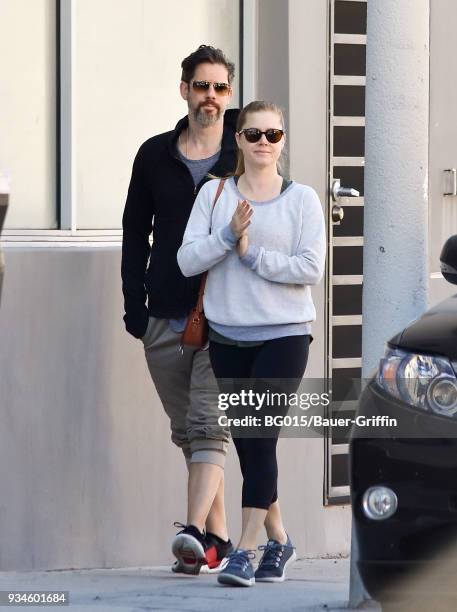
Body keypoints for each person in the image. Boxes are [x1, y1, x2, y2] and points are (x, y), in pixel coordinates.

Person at [177, 100, 326, 586]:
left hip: (285, 335)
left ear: (283, 141)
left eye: (274, 135)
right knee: (250, 444)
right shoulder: (215, 195)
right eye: (254, 134)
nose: (264, 143)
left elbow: (310, 267)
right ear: (237, 139)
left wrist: (252, 254)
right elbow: (186, 260)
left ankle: (244, 549)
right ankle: (280, 541)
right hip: (228, 337)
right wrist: (227, 235)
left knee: (260, 435)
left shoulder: (302, 198)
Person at [121, 45, 239, 574]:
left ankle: (193, 533)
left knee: (209, 424)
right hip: (165, 313)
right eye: (200, 86)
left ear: (228, 94)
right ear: (184, 90)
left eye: (218, 88)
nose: (209, 97)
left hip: (230, 315)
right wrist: (135, 309)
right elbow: (133, 234)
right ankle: (218, 540)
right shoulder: (154, 155)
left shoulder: (246, 152)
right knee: (188, 432)